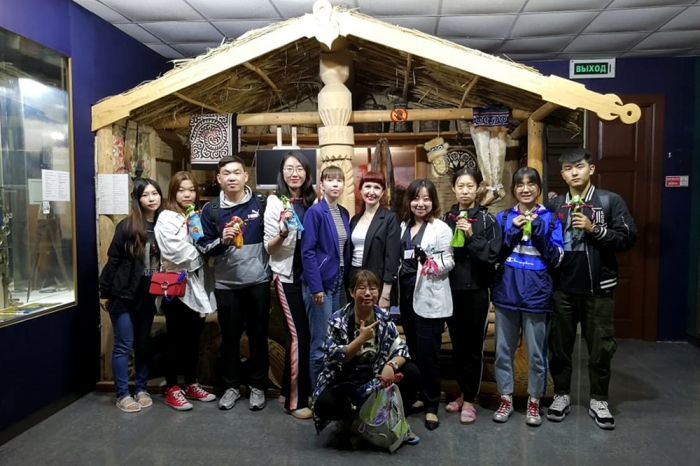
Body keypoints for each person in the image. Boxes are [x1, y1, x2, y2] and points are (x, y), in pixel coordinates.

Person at [546, 148, 637, 430]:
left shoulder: (609, 201)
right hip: (562, 289)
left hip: (599, 290)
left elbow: (628, 237)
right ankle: (561, 394)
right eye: (568, 168)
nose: (574, 172)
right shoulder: (555, 205)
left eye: (579, 166)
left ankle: (599, 399)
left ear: (591, 169)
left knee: (601, 349)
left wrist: (595, 229)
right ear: (562, 174)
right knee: (559, 347)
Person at [311, 269, 420, 446]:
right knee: (324, 404)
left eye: (373, 288)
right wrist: (361, 339)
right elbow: (334, 357)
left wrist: (390, 366)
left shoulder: (384, 318)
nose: (368, 293)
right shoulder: (338, 320)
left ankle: (399, 423)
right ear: (351, 292)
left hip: (375, 378)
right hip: (347, 379)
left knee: (411, 372)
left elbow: (402, 349)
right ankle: (350, 421)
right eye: (361, 288)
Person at [491, 167, 564, 426]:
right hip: (507, 293)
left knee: (536, 355)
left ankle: (534, 401)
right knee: (503, 352)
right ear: (513, 189)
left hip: (537, 296)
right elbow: (494, 255)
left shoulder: (552, 220)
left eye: (531, 184)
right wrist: (512, 231)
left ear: (539, 188)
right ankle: (506, 398)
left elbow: (557, 259)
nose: (525, 189)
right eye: (520, 184)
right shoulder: (502, 218)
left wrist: (538, 233)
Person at [199, 155, 271, 412]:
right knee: (229, 339)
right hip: (226, 285)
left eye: (236, 172)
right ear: (219, 178)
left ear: (245, 176)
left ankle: (258, 386)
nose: (232, 177)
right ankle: (231, 386)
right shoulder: (210, 210)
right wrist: (223, 241)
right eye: (226, 173)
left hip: (258, 281)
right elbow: (203, 247)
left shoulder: (261, 203)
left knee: (258, 337)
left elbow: (273, 238)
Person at [440, 168, 502, 425]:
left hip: (477, 290)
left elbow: (491, 256)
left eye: (470, 186)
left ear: (478, 189)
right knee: (457, 346)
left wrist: (470, 236)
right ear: (454, 189)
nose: (465, 191)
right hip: (451, 290)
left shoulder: (488, 221)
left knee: (474, 347)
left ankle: (469, 400)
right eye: (460, 186)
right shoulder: (445, 219)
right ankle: (461, 392)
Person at [99, 178, 163, 413]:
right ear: (137, 199)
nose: (151, 199)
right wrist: (104, 291)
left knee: (143, 343)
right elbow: (113, 260)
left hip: (149, 295)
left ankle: (142, 388)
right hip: (123, 294)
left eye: (155, 193)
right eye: (145, 195)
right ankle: (123, 394)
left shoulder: (164, 224)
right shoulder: (127, 226)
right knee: (123, 345)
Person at [155, 171, 216, 411]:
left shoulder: (196, 215)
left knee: (194, 339)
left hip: (198, 285)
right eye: (181, 190)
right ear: (173, 192)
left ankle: (191, 383)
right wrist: (202, 252)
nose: (187, 194)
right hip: (177, 287)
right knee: (175, 340)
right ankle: (172, 388)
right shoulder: (166, 217)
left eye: (191, 190)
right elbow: (174, 251)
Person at [263, 151, 316, 420]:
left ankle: (287, 391)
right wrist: (283, 233)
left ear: (307, 173)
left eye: (299, 169)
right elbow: (269, 248)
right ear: (282, 173)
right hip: (287, 277)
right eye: (289, 168)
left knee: (299, 337)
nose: (294, 173)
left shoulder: (312, 200)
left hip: (309, 279)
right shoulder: (275, 202)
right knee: (299, 337)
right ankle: (295, 402)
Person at [398, 178, 454, 431]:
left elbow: (449, 262)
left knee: (429, 354)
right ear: (409, 201)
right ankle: (419, 395)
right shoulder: (402, 226)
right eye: (416, 198)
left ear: (433, 202)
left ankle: (432, 406)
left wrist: (429, 263)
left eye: (426, 199)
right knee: (413, 351)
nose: (420, 203)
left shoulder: (441, 228)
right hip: (406, 295)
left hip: (429, 295)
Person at [301, 165, 351, 390]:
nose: (335, 184)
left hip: (340, 280)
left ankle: (333, 390)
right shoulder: (315, 212)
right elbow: (308, 251)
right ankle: (317, 394)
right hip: (320, 283)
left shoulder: (343, 213)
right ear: (321, 185)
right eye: (330, 180)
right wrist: (316, 287)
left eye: (339, 180)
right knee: (321, 342)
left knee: (338, 339)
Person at [348, 171, 401, 309]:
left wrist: (386, 294)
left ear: (382, 192)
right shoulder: (355, 220)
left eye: (377, 187)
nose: (371, 192)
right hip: (354, 278)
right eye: (367, 186)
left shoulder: (390, 218)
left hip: (376, 282)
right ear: (361, 189)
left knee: (374, 321)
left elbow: (392, 258)